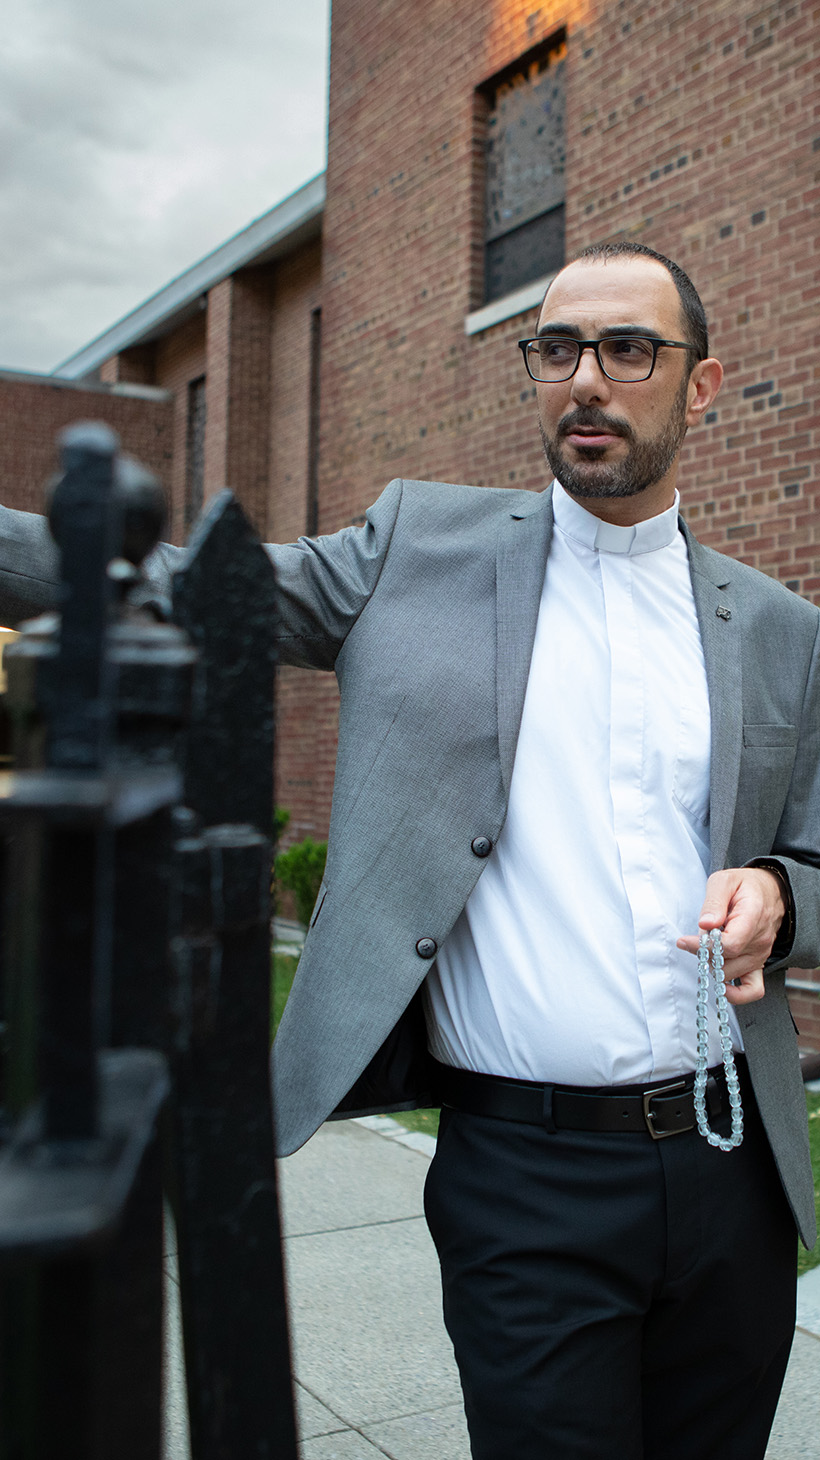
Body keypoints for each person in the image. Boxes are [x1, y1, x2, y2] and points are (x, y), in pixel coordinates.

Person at [0, 243, 817, 1458]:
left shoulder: (780, 628)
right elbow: (172, 585)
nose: (587, 379)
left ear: (700, 386)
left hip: (729, 1168)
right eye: (557, 349)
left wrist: (778, 896)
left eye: (629, 349)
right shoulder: (413, 547)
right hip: (520, 1176)